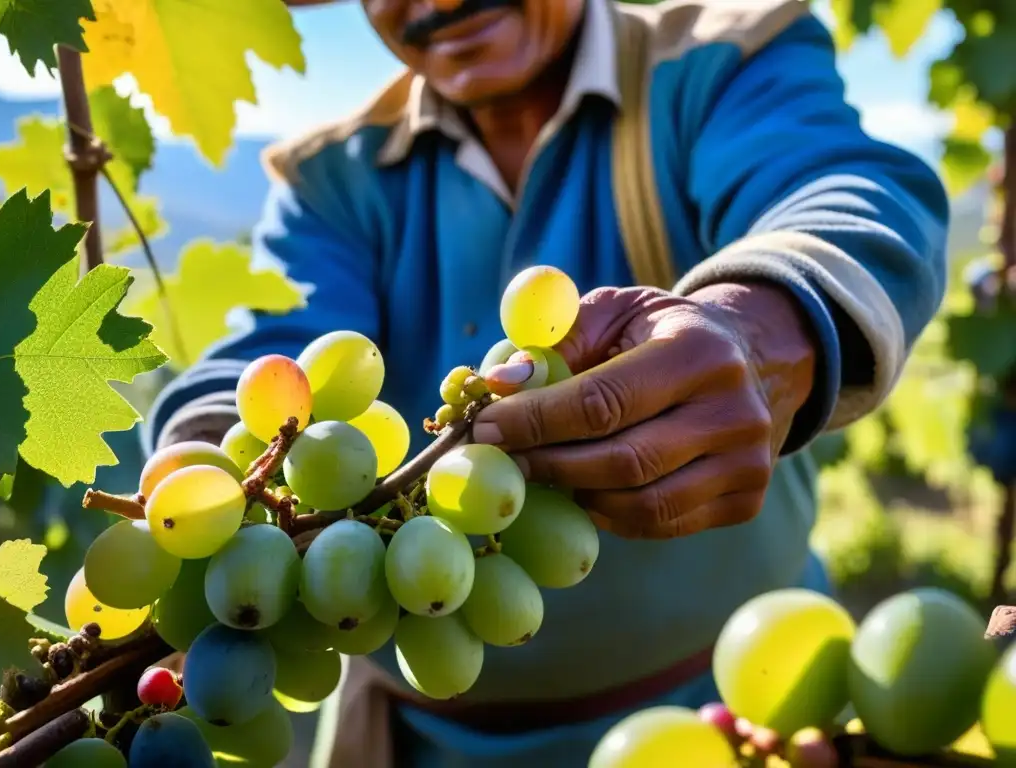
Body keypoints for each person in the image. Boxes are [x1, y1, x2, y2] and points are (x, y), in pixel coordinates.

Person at [145, 0, 949, 765]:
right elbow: (270, 354)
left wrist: (766, 322)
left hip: (743, 717)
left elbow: (851, 194)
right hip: (417, 744)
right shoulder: (331, 179)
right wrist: (211, 490)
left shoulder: (722, 61)